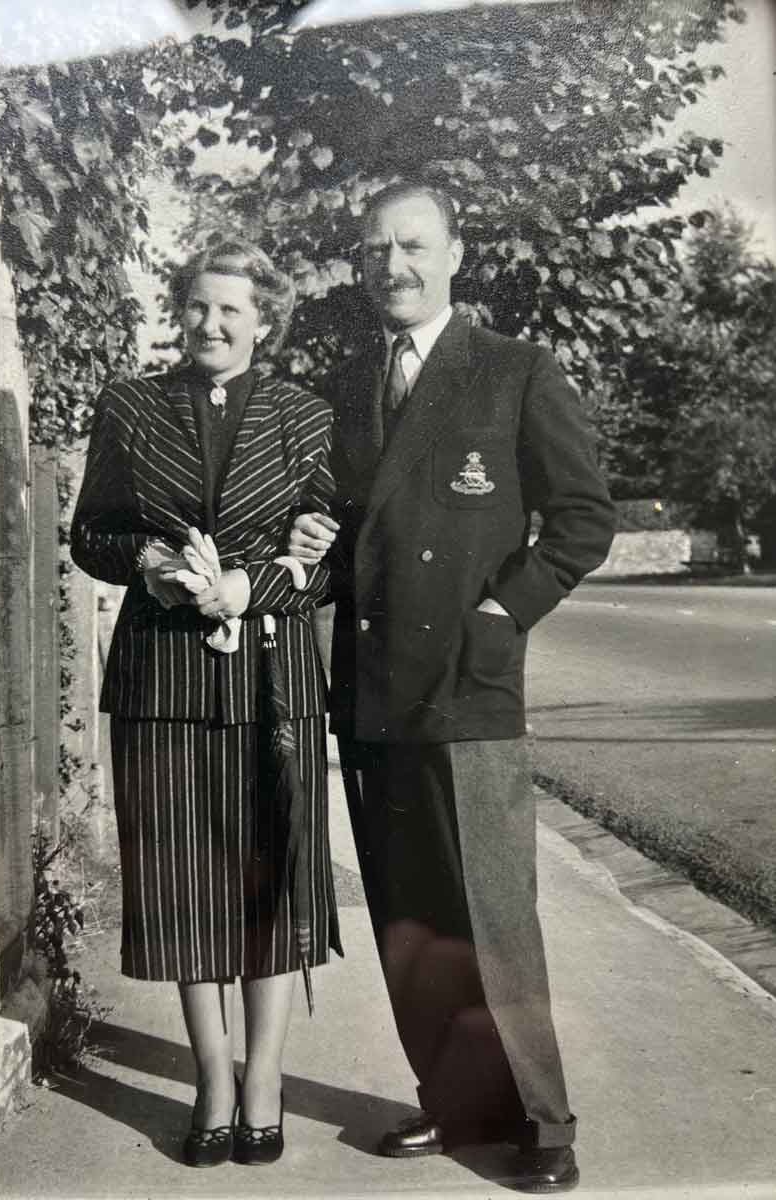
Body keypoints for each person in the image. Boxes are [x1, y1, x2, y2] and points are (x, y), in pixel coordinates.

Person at [290, 181, 616, 1193]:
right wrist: (316, 545)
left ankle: (546, 1123)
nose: (396, 265)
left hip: (468, 685)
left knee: (494, 912)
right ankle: (455, 1101)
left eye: (415, 245)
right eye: (378, 248)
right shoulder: (344, 386)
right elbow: (354, 536)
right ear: (361, 261)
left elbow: (581, 519)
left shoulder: (513, 371)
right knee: (412, 913)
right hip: (378, 684)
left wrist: (499, 614)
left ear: (455, 254)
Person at [71, 238, 342, 1169]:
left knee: (271, 877)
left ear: (265, 319)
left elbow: (329, 557)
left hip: (272, 681)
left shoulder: (306, 419)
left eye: (232, 309)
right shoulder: (130, 407)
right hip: (163, 681)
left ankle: (265, 1080)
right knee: (182, 882)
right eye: (197, 306)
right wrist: (145, 566)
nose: (212, 324)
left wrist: (254, 588)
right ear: (179, 312)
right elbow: (92, 536)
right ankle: (213, 1078)